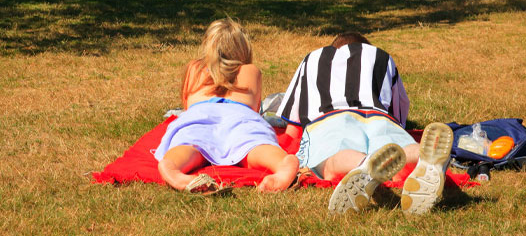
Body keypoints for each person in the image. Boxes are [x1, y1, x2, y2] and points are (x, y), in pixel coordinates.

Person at [276, 32, 453, 214]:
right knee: (400, 149)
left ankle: (364, 164)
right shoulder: (383, 57)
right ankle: (423, 156)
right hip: (380, 118)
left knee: (331, 160)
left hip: (330, 119)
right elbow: (399, 116)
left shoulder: (312, 59)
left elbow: (293, 124)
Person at [154, 18, 299, 194]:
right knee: (255, 146)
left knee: (189, 145)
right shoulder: (251, 71)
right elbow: (255, 109)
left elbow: (187, 105)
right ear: (244, 49)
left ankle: (172, 168)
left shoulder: (193, 69)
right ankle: (282, 165)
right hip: (241, 116)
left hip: (200, 116)